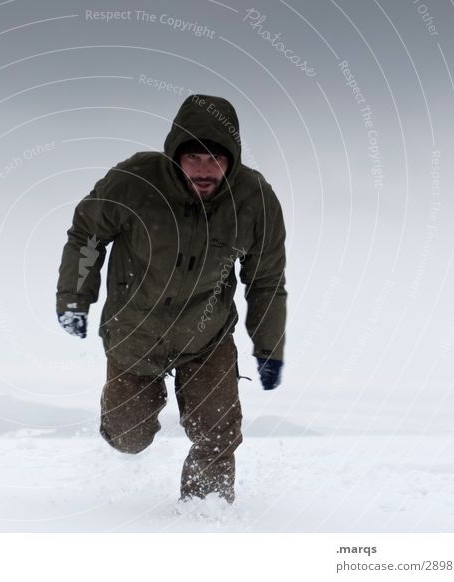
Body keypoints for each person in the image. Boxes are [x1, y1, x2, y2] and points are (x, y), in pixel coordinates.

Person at [55, 94, 287, 503]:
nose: (203, 169)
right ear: (175, 154)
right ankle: (127, 420)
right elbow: (87, 236)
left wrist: (269, 348)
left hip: (207, 338)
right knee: (129, 437)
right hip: (136, 334)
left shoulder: (254, 200)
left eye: (215, 158)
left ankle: (206, 515)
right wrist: (75, 299)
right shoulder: (134, 181)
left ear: (232, 158)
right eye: (193, 157)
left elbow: (265, 281)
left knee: (218, 432)